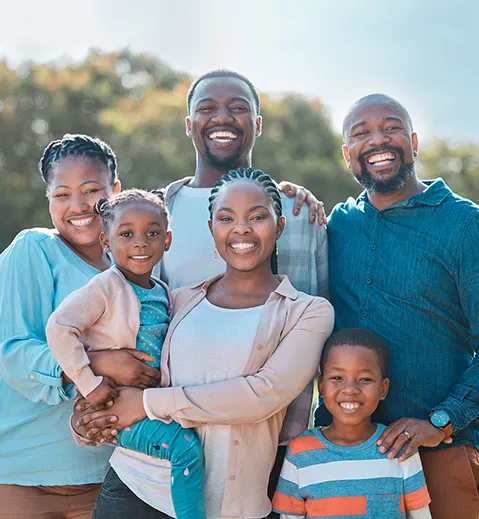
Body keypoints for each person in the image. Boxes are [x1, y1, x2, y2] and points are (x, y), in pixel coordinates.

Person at [74, 168, 335, 519]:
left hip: (231, 505)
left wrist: (147, 403)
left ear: (280, 226)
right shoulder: (178, 300)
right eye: (226, 218)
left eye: (257, 217)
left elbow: (263, 395)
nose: (241, 228)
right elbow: (130, 363)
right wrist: (88, 413)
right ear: (212, 229)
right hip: (135, 488)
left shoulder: (308, 312)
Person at [316, 93, 479, 519]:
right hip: (346, 452)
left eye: (391, 128)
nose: (378, 140)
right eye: (361, 133)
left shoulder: (465, 225)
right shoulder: (336, 224)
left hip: (442, 451)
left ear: (414, 141)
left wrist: (442, 421)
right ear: (347, 154)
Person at [0, 134, 162, 519]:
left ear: (115, 191)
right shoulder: (34, 249)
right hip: (26, 474)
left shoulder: (133, 267)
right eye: (62, 195)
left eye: (91, 190)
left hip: (111, 472)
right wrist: (102, 363)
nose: (78, 206)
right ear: (48, 199)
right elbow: (13, 351)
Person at [46, 189, 206, 519]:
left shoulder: (161, 291)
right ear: (105, 241)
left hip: (146, 405)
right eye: (126, 234)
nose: (140, 242)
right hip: (109, 405)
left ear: (168, 239)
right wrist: (89, 384)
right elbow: (59, 328)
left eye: (152, 233)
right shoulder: (105, 286)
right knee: (185, 448)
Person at [274, 328, 432, 519]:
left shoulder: (398, 446)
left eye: (365, 379)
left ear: (383, 389)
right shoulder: (300, 451)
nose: (350, 389)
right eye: (337, 378)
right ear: (321, 387)